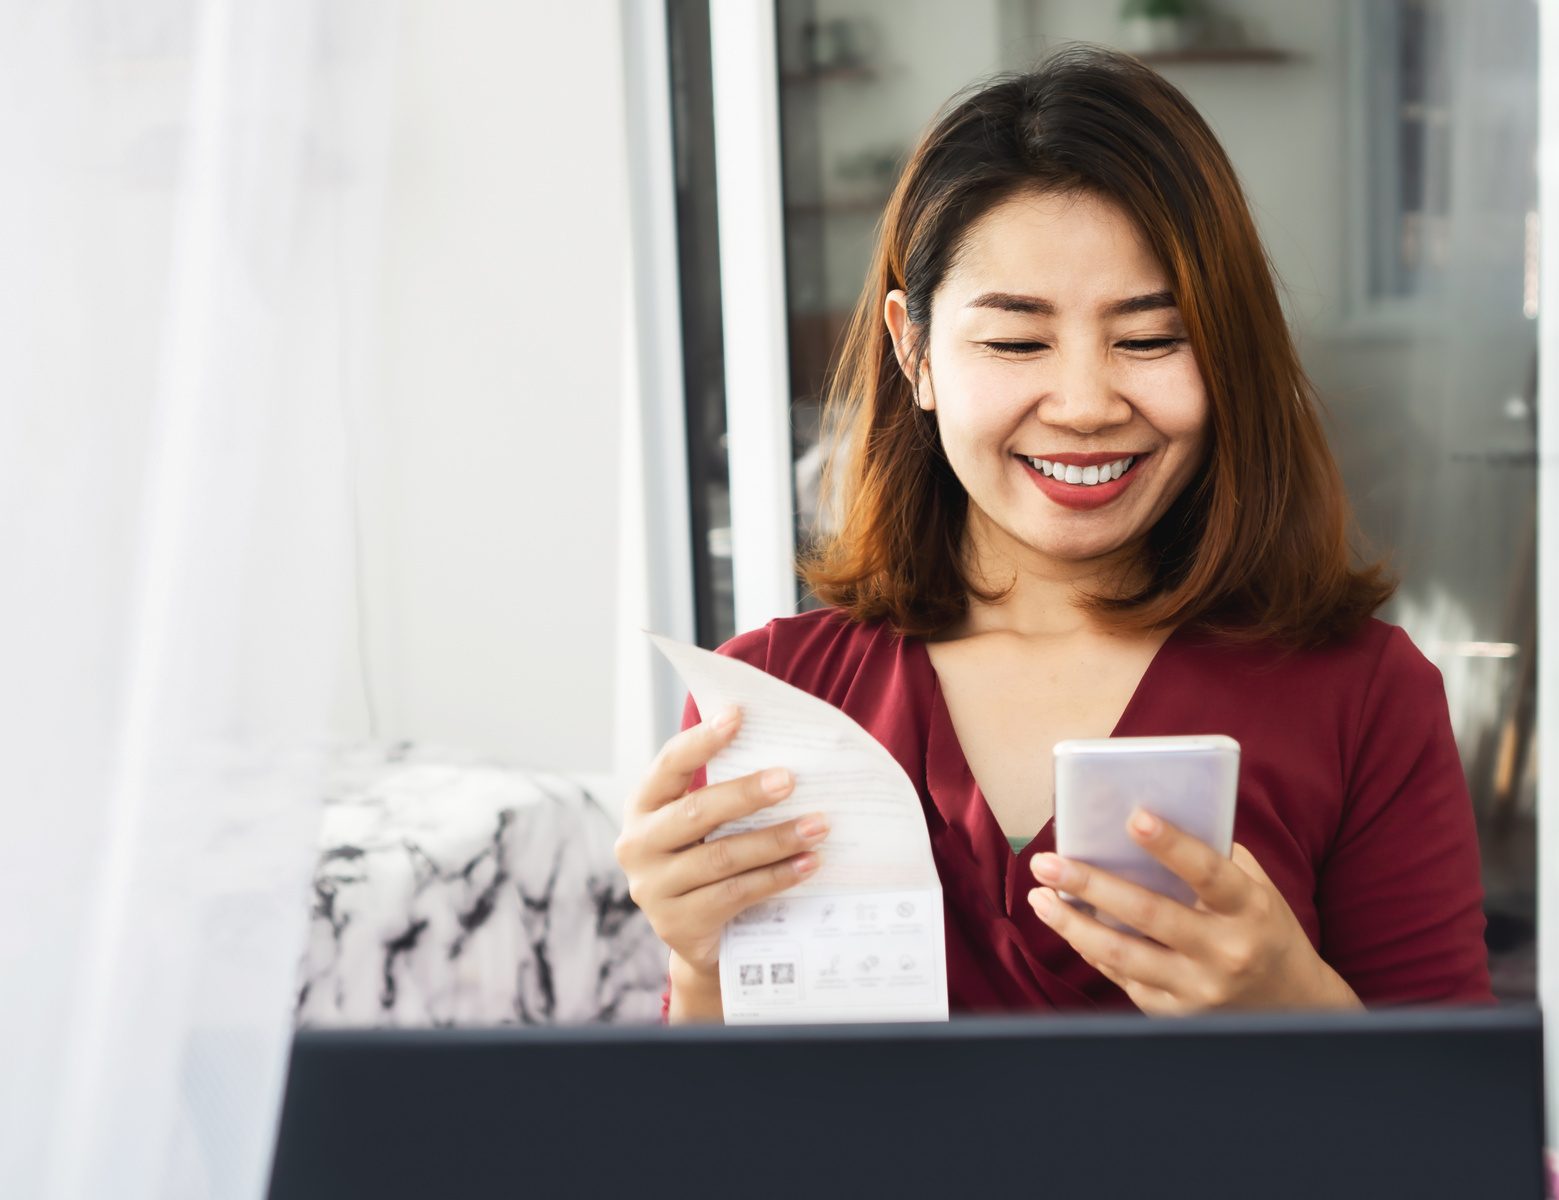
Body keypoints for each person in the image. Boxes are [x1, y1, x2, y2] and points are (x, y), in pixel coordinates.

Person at [615, 46, 1492, 1022]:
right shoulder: (772, 704)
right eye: (1016, 341)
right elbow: (725, 1147)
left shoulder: (1363, 699)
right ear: (915, 351)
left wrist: (1297, 1008)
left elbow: (1451, 1132)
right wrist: (699, 971)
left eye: (1151, 338)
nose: (1083, 405)